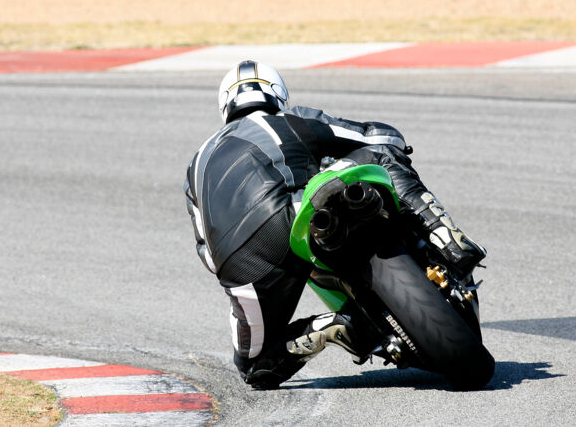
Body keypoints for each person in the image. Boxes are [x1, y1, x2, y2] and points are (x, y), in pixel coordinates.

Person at [183, 60, 487, 390]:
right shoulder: (290, 118)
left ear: (225, 107)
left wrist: (241, 273)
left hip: (242, 262)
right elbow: (377, 136)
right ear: (278, 95)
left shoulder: (196, 164)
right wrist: (397, 147)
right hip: (300, 209)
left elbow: (206, 251)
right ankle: (443, 233)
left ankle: (335, 326)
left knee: (254, 366)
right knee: (380, 155)